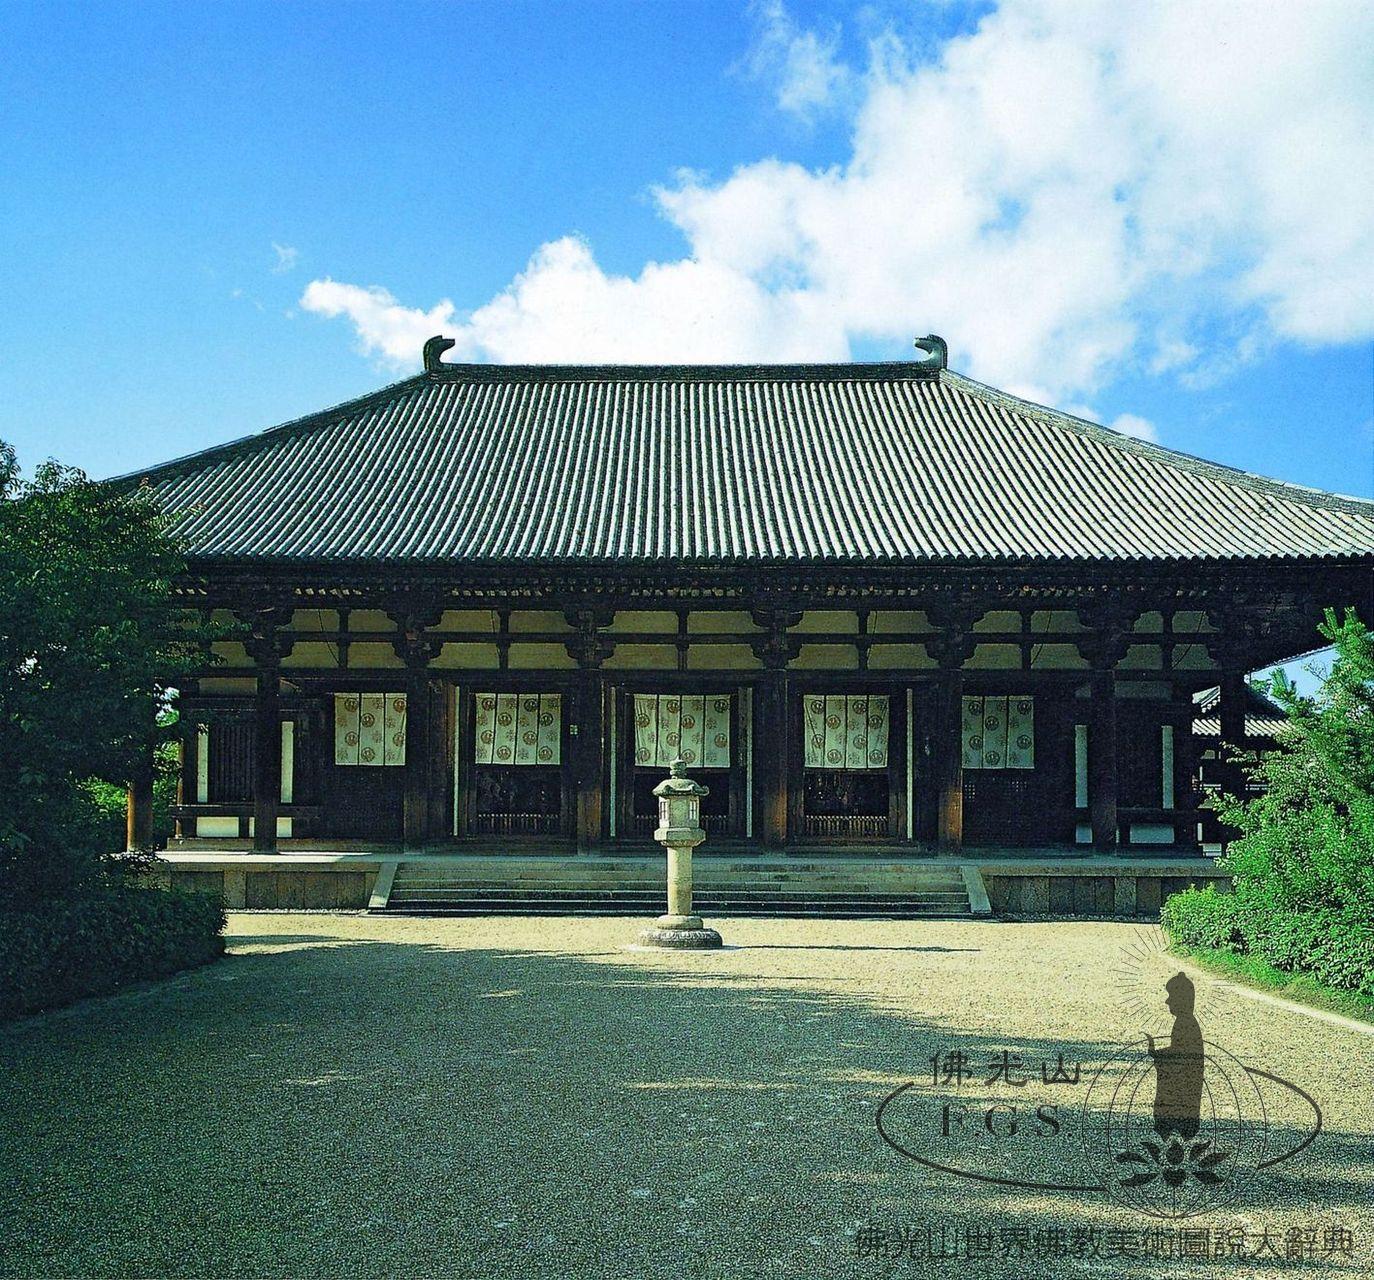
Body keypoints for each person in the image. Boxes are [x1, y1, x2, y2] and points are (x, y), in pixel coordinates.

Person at [1144, 973, 1204, 1139]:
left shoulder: (1186, 1023)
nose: (1167, 1001)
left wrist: (1159, 1055)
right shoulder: (1184, 1022)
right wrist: (1161, 1054)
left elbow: (1183, 1055)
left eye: (1171, 996)